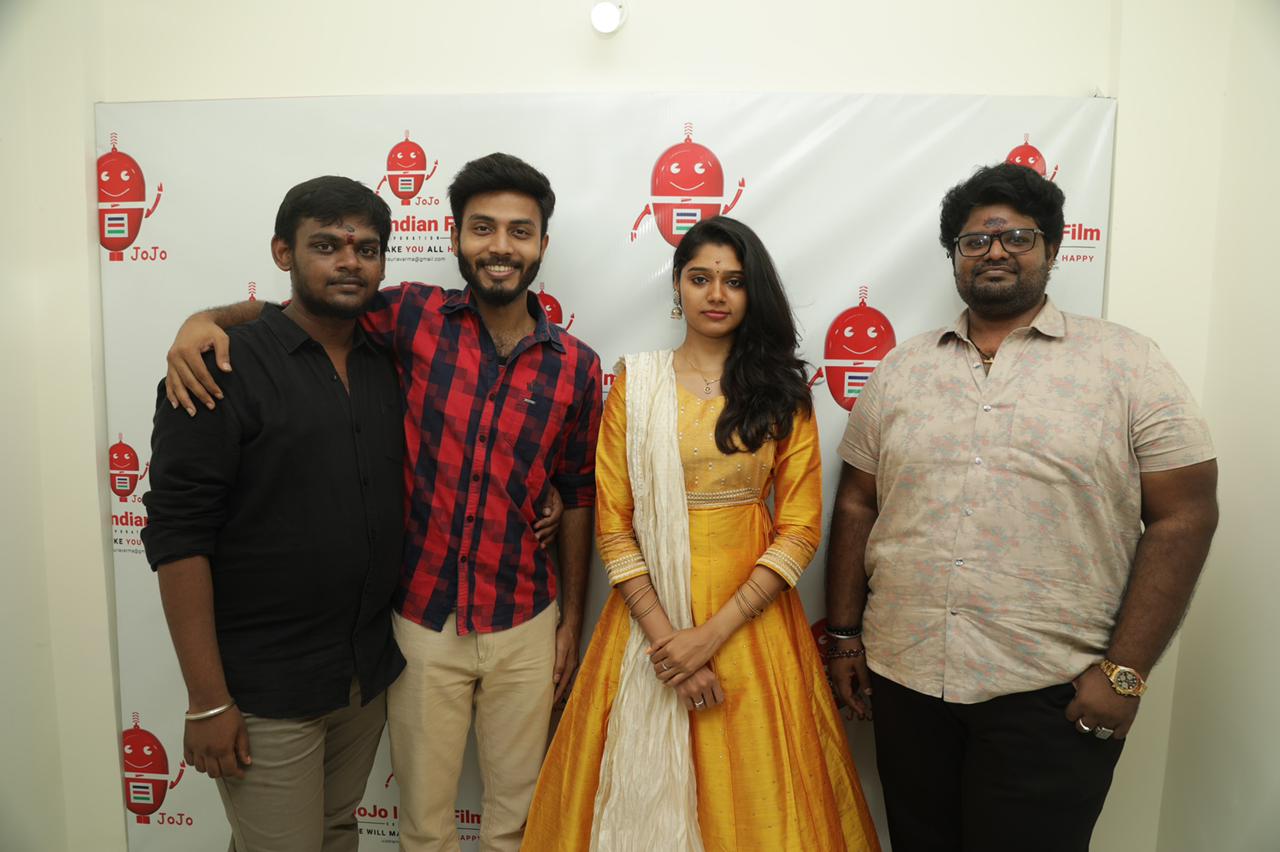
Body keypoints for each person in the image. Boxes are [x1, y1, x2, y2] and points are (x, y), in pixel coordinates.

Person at [163, 153, 601, 852]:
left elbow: (578, 491)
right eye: (483, 228)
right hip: (421, 618)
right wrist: (202, 320)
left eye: (520, 231)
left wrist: (573, 620)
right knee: (423, 827)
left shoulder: (577, 364)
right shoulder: (410, 316)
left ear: (542, 244)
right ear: (455, 237)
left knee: (519, 824)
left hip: (526, 615)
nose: (500, 246)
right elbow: (301, 314)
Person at [824, 162, 1219, 851]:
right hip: (905, 679)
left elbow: (1185, 515)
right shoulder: (901, 370)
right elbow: (858, 503)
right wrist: (845, 636)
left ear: (1052, 248)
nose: (996, 252)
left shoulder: (1128, 364)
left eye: (1017, 237)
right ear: (955, 256)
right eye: (975, 240)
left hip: (1054, 691)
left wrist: (1125, 672)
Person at [523, 216, 880, 851]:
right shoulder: (637, 384)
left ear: (753, 292)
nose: (716, 294)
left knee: (758, 802)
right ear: (677, 287)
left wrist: (708, 637)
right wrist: (670, 646)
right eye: (700, 278)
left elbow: (800, 531)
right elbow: (614, 526)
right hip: (647, 624)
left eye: (734, 281)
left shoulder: (781, 393)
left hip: (750, 628)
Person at [142, 175, 406, 851]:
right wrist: (208, 700)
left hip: (364, 674)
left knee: (337, 833)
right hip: (266, 686)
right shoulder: (217, 366)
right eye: (326, 245)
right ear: (283, 252)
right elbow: (178, 537)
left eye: (366, 248)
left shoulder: (388, 360)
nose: (349, 262)